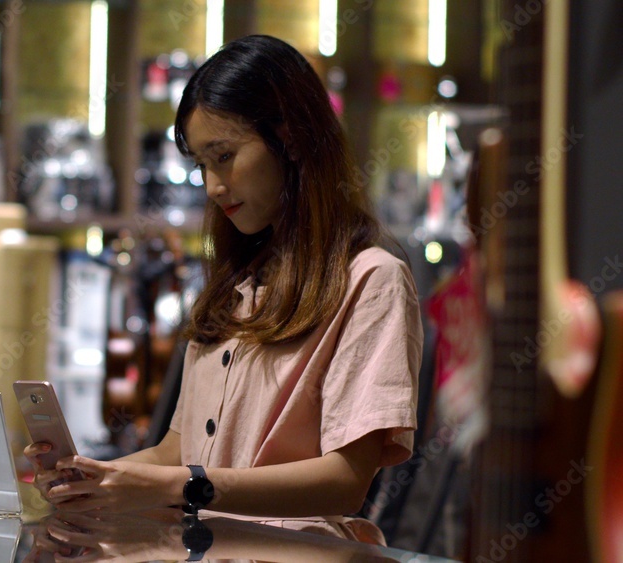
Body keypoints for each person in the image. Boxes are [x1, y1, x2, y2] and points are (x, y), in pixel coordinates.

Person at [25, 34, 422, 545]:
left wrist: (180, 486)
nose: (213, 186)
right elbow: (179, 449)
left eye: (225, 155)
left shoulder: (371, 279)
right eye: (202, 164)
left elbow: (344, 482)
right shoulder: (235, 281)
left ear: (293, 138)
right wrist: (94, 479)